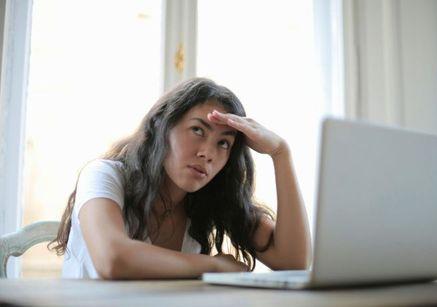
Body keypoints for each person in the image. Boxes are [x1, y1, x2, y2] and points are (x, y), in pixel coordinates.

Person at [49, 77, 312, 279]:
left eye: (223, 143)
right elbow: (112, 259)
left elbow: (293, 262)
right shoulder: (104, 175)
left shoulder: (211, 198)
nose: (207, 153)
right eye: (197, 129)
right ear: (162, 127)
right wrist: (213, 265)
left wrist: (281, 153)